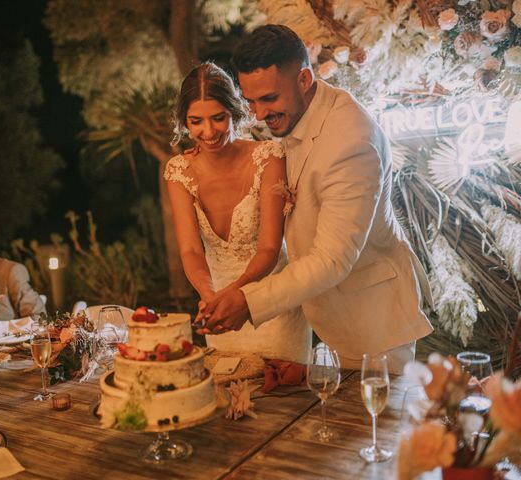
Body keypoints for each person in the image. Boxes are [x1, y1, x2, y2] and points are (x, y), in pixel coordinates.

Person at [202, 25, 433, 373]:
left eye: (269, 99)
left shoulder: (350, 143)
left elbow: (332, 259)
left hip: (373, 325)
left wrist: (249, 302)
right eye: (251, 101)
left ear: (305, 79)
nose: (260, 114)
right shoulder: (297, 115)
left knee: (371, 427)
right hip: (328, 318)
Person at [164, 62, 310, 363]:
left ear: (236, 112)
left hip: (273, 310)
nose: (208, 132)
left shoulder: (269, 158)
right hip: (218, 311)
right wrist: (209, 295)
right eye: (196, 121)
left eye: (219, 118)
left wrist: (235, 295)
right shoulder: (179, 171)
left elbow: (269, 248)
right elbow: (191, 250)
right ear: (184, 121)